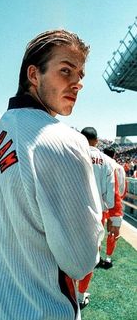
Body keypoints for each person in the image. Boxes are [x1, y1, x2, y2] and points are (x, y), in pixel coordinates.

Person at [0, 29, 104, 320]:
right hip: (38, 309)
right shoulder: (64, 141)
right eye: (66, 70)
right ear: (34, 75)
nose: (77, 83)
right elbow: (81, 261)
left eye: (80, 75)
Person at [77, 128, 122, 308]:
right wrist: (115, 221)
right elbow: (112, 196)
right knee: (90, 256)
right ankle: (80, 296)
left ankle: (66, 293)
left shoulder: (69, 153)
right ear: (96, 141)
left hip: (69, 213)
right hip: (95, 216)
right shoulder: (106, 161)